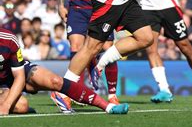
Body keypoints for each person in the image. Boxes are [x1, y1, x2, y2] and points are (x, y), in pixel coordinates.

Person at [0, 28, 128, 115]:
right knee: (22, 106)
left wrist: (6, 105)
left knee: (55, 81)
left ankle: (108, 107)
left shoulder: (9, 39)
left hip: (15, 73)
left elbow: (19, 76)